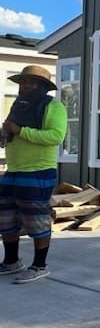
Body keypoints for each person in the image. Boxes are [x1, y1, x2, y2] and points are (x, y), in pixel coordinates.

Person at [0, 64, 67, 283]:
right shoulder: (19, 105)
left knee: (36, 220)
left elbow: (55, 136)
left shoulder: (53, 107)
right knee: (6, 218)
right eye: (23, 81)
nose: (25, 85)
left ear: (42, 86)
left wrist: (20, 131)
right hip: (13, 169)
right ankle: (11, 261)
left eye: (31, 82)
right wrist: (5, 134)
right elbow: (10, 130)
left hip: (38, 171)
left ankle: (39, 266)